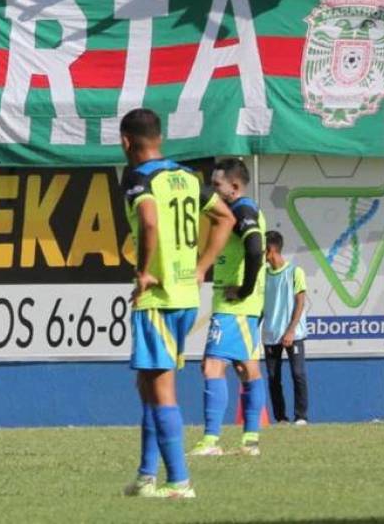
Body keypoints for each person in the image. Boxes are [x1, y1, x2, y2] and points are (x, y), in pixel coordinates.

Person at [119, 108, 234, 499]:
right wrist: (202, 266)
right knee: (149, 381)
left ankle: (180, 482)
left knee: (161, 387)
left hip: (159, 297)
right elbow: (225, 219)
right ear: (160, 139)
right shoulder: (188, 178)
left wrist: (143, 270)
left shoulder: (138, 177)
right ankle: (146, 475)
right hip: (187, 296)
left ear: (125, 142)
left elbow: (148, 221)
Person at [191, 158, 267, 458]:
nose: (214, 190)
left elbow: (255, 247)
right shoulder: (235, 209)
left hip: (236, 304)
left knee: (212, 365)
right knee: (246, 367)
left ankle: (211, 440)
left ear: (234, 187)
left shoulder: (241, 209)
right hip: (241, 305)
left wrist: (246, 288)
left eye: (218, 185)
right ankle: (250, 440)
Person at [261, 231, 309, 425]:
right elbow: (260, 306)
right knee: (273, 377)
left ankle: (301, 416)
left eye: (261, 248)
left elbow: (300, 302)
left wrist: (290, 330)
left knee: (298, 374)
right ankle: (281, 417)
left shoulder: (295, 272)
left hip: (293, 334)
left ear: (270, 249)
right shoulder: (262, 275)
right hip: (270, 334)